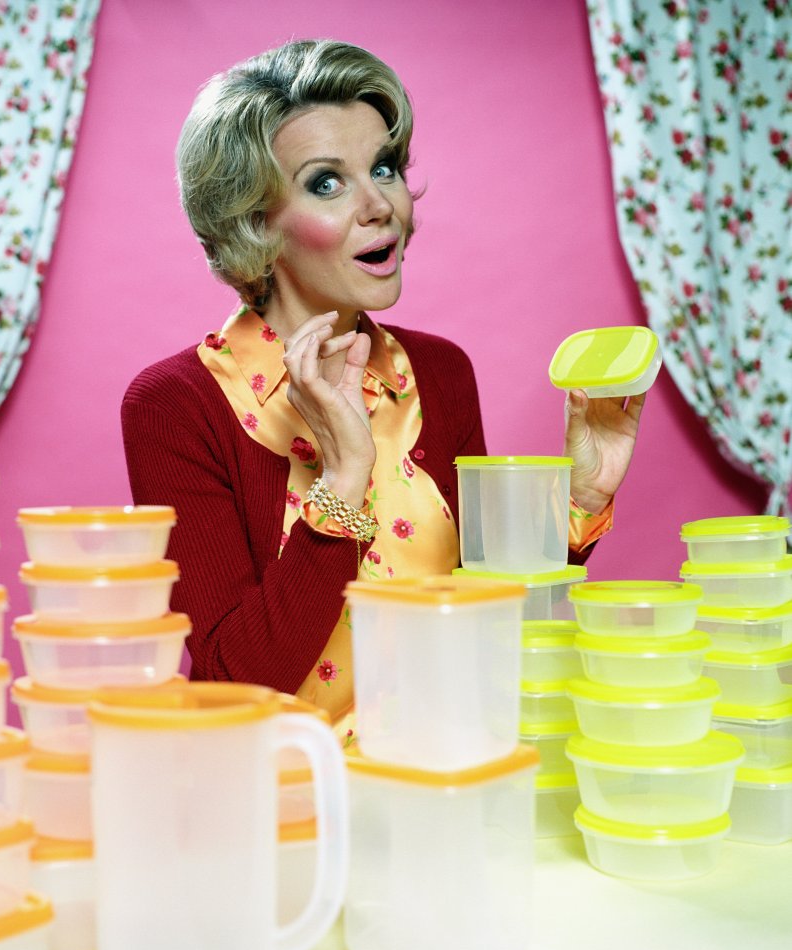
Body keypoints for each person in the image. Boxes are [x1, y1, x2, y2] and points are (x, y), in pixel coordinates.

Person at [121, 39, 645, 724]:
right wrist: (344, 477)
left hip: (454, 776)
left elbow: (497, 616)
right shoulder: (176, 404)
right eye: (326, 182)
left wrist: (578, 500)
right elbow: (233, 679)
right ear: (255, 222)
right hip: (294, 801)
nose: (381, 206)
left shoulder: (442, 373)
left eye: (385, 167)